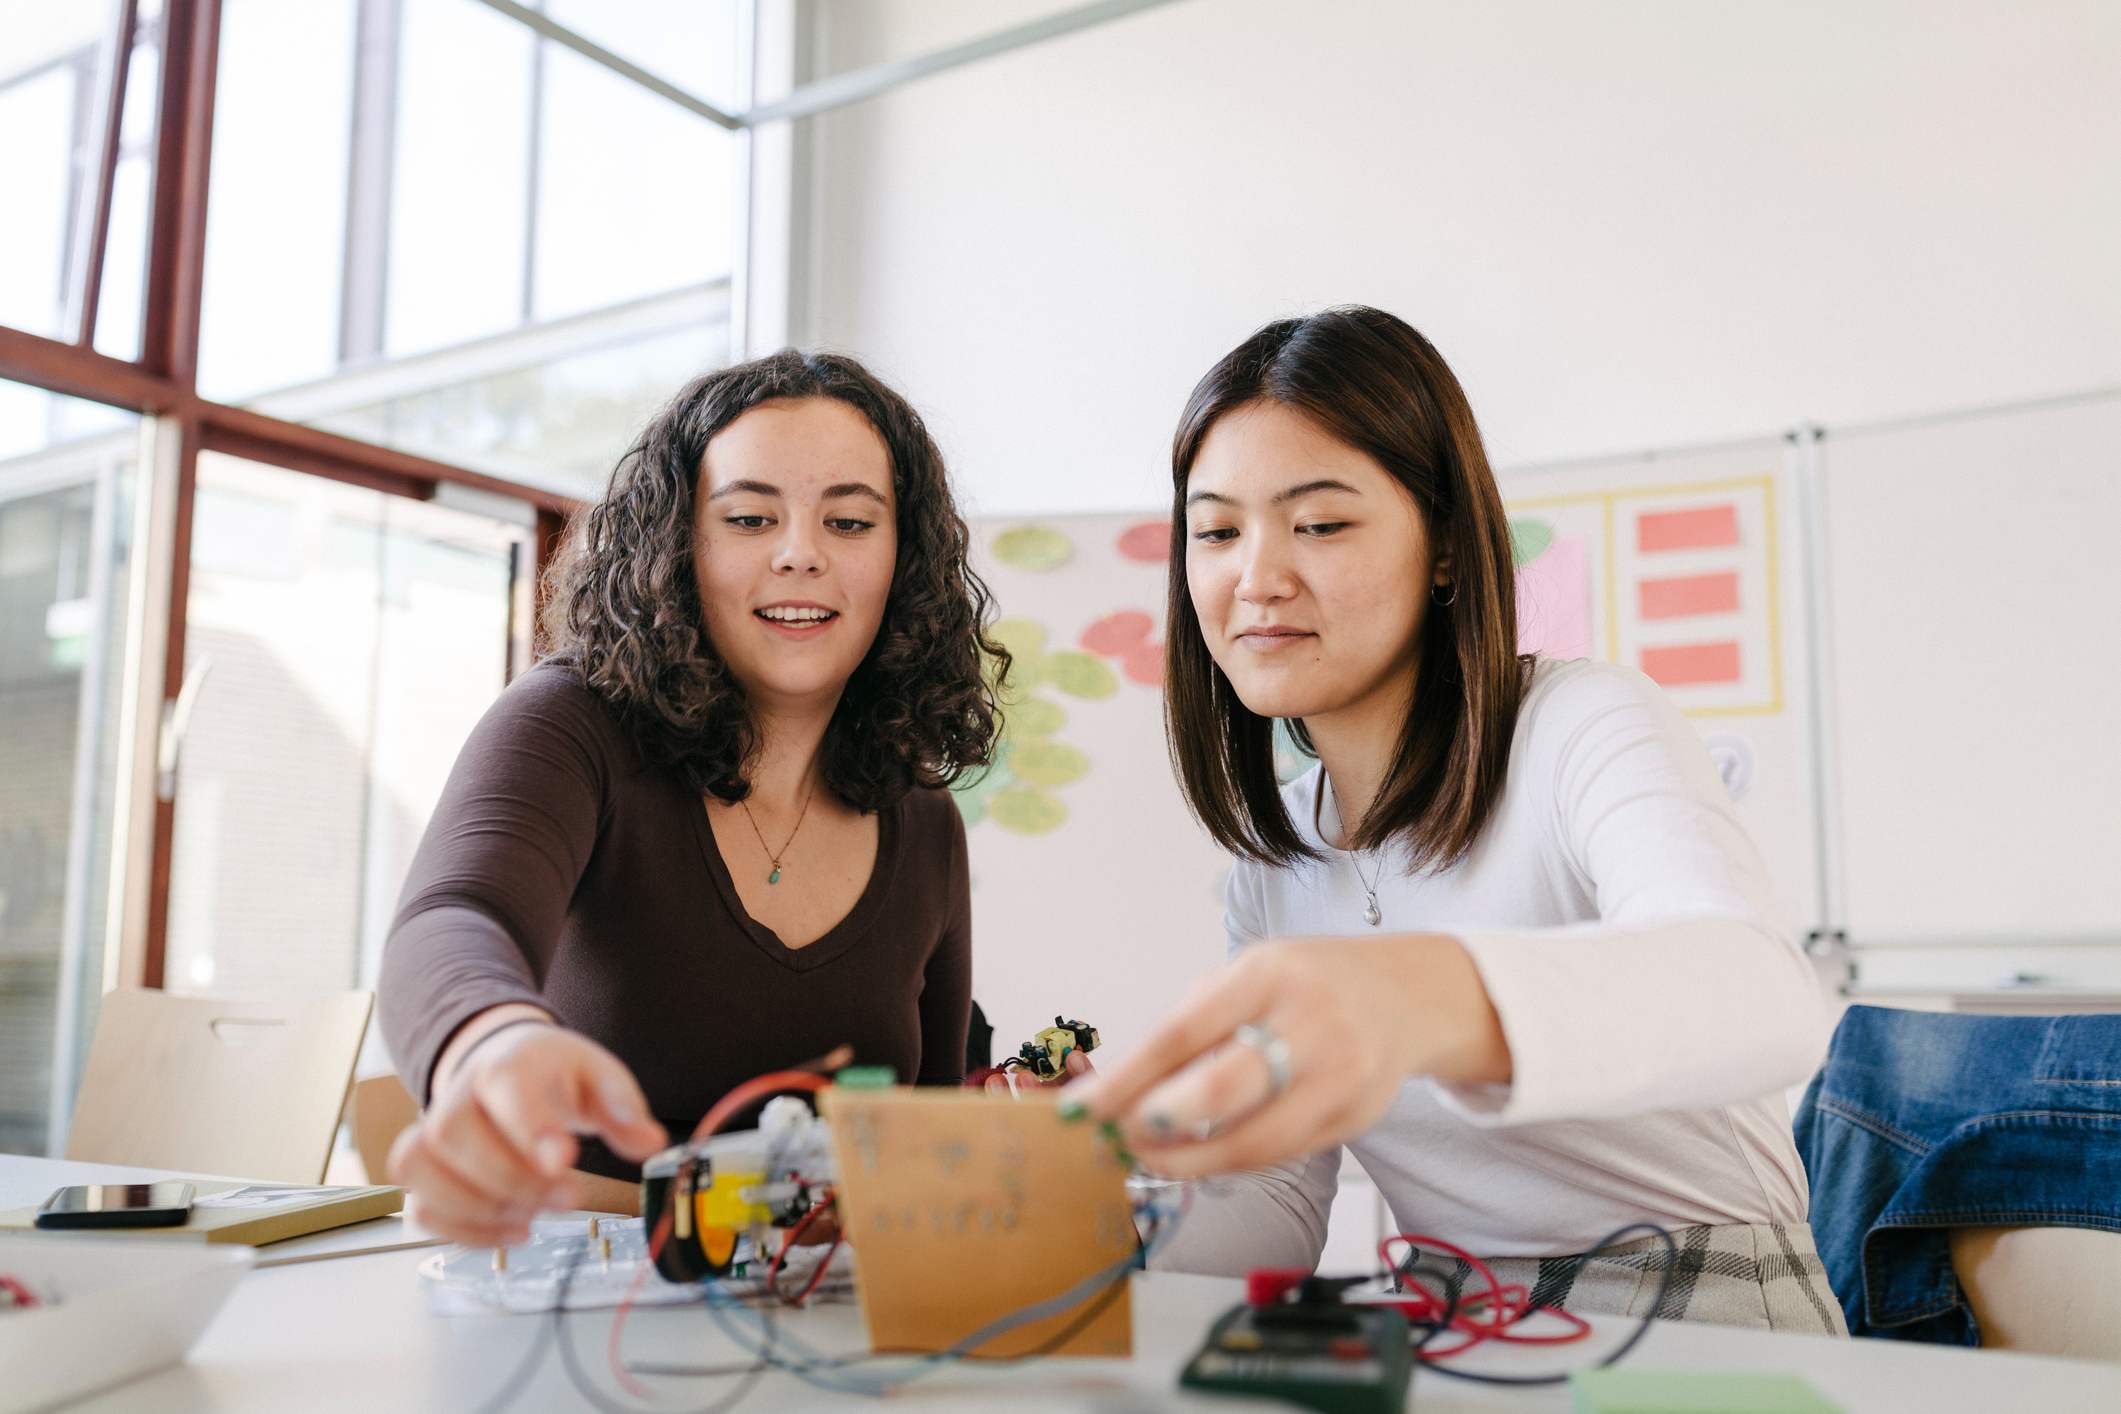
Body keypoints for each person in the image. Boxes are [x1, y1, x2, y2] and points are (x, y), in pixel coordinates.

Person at [1068, 307, 1844, 1331]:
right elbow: (1276, 1205)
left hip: (1702, 1309)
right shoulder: (1275, 868)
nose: (1255, 578)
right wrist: (1104, 1195)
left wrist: (1431, 998)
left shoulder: (1580, 724)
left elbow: (1763, 996)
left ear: (1442, 546)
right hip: (1452, 1322)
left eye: (1321, 522)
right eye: (1215, 532)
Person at [378, 351, 1004, 1247]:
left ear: (903, 560)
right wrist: (494, 1044)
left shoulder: (925, 817)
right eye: (749, 517)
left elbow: (932, 1123)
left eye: (851, 522)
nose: (800, 554)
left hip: (821, 1327)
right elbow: (451, 915)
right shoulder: (570, 723)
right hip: (567, 1297)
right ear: (679, 543)